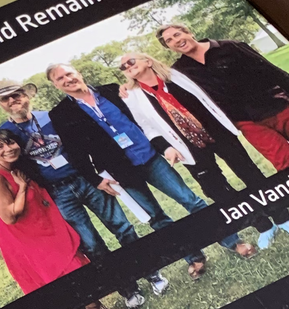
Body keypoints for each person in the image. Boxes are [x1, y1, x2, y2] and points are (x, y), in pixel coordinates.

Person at [157, 23, 289, 247]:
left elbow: (268, 68)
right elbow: (154, 84)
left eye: (177, 34)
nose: (176, 40)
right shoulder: (180, 72)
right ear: (169, 47)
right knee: (288, 168)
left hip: (279, 106)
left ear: (189, 32)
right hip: (247, 122)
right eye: (169, 40)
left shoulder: (229, 47)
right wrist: (129, 88)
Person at [46, 63, 248, 280]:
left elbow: (143, 116)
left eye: (69, 73)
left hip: (149, 156)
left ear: (78, 73)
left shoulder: (112, 90)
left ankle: (231, 241)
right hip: (120, 173)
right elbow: (74, 151)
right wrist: (95, 179)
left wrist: (164, 145)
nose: (67, 79)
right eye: (60, 79)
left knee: (190, 200)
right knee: (157, 219)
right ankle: (194, 257)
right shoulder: (60, 114)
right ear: (55, 85)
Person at [0, 76, 169, 307]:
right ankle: (127, 288)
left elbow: (85, 142)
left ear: (27, 95)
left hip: (87, 180)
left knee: (123, 228)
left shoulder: (52, 117)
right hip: (57, 193)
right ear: (0, 104)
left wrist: (97, 175)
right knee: (92, 245)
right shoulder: (6, 134)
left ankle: (151, 273)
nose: (13, 101)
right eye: (5, 99)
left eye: (16, 95)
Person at [116, 51, 289, 250]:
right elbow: (147, 127)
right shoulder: (132, 97)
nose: (127, 67)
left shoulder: (177, 75)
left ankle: (282, 218)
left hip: (217, 132)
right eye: (123, 67)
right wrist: (166, 148)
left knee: (249, 173)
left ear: (148, 61)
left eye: (131, 61)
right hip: (187, 146)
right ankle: (263, 225)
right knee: (216, 189)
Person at [0, 131, 137, 309]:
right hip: (28, 237)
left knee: (63, 274)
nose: (8, 149)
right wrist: (23, 187)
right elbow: (9, 216)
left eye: (10, 143)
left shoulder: (15, 166)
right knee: (72, 271)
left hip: (44, 227)